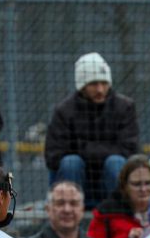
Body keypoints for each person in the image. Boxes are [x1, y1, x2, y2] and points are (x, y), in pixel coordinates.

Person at [44, 53, 139, 209]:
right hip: (77, 179)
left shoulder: (125, 107)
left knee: (115, 162)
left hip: (111, 180)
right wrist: (101, 151)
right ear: (82, 86)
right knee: (71, 163)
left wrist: (84, 149)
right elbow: (53, 156)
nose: (100, 89)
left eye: (104, 83)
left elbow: (129, 150)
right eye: (94, 84)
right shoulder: (64, 111)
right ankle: (70, 209)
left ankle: (119, 214)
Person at [87, 154, 150, 238]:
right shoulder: (106, 212)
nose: (143, 189)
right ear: (125, 186)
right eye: (136, 184)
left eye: (148, 183)